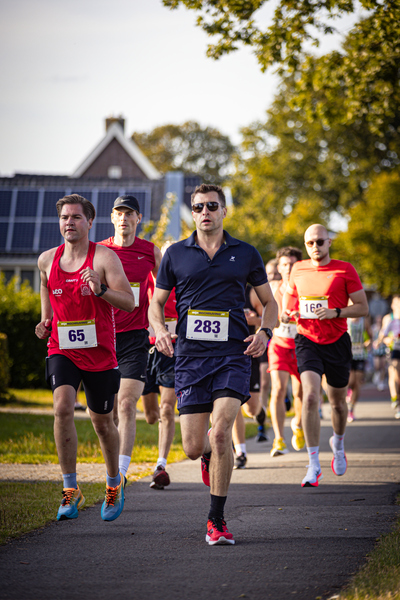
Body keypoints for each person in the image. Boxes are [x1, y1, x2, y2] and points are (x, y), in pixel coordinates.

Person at [149, 183, 278, 545]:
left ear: (224, 211)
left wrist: (265, 333)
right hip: (190, 358)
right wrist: (159, 330)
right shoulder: (175, 254)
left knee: (222, 432)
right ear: (192, 213)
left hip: (233, 356)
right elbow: (155, 304)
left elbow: (271, 303)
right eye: (198, 207)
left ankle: (216, 520)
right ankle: (207, 453)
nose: (205, 212)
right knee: (193, 446)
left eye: (211, 206)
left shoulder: (246, 253)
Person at [35, 194, 135, 521]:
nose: (69, 223)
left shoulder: (104, 258)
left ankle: (113, 482)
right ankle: (69, 488)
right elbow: (47, 292)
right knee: (62, 406)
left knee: (102, 423)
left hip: (100, 352)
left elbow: (129, 302)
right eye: (65, 217)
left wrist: (102, 289)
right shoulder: (47, 260)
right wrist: (44, 321)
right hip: (62, 348)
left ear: (89, 222)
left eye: (76, 217)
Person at [281, 224, 369, 487]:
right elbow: (289, 304)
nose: (315, 247)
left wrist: (337, 312)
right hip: (307, 340)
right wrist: (287, 313)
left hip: (337, 342)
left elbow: (362, 307)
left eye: (320, 242)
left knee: (338, 404)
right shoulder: (298, 269)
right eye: (310, 243)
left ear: (329, 242)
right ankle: (313, 464)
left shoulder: (345, 269)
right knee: (309, 396)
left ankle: (338, 444)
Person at [98, 195, 162, 481]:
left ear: (138, 219)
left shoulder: (151, 252)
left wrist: (162, 325)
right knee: (108, 414)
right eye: (118, 213)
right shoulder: (98, 251)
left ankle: (122, 474)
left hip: (135, 339)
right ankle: (113, 468)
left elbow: (164, 293)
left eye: (129, 213)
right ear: (112, 218)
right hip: (102, 339)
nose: (123, 218)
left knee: (126, 404)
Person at [141, 242, 179, 489]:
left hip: (173, 350)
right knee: (151, 416)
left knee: (166, 409)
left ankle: (161, 465)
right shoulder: (145, 278)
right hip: (145, 348)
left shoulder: (186, 281)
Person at [268, 246, 304, 457]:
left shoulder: (305, 288)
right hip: (279, 345)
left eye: (291, 264)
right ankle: (279, 440)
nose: (288, 268)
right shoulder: (273, 288)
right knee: (278, 390)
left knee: (300, 393)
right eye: (284, 264)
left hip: (301, 346)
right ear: (279, 267)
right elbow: (265, 316)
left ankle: (298, 424)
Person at [375, 295, 400, 419]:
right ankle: (395, 400)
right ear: (393, 305)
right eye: (397, 303)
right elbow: (382, 335)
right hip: (393, 349)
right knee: (394, 373)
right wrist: (384, 340)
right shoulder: (389, 319)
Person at [346, 316, 372, 422]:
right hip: (347, 355)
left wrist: (368, 343)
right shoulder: (345, 320)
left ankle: (351, 409)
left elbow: (370, 336)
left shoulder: (364, 321)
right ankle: (348, 393)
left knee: (357, 383)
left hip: (360, 355)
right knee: (350, 381)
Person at [371, 315, 387, 391]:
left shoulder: (384, 328)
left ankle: (381, 382)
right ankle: (376, 374)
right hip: (376, 350)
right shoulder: (373, 328)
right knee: (377, 366)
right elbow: (371, 337)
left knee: (383, 366)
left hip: (383, 349)